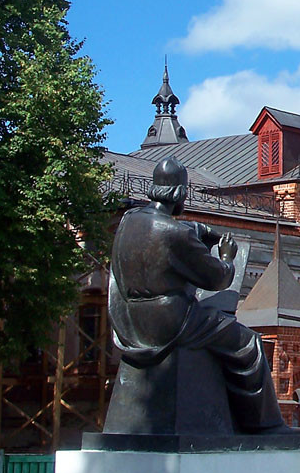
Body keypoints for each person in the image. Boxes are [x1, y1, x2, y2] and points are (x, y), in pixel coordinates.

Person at [108, 156, 290, 433]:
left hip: (129, 320)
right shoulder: (174, 234)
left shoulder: (129, 220)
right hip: (170, 322)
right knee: (247, 345)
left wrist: (197, 229)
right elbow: (217, 278)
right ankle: (265, 427)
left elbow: (160, 231)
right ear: (181, 193)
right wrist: (227, 257)